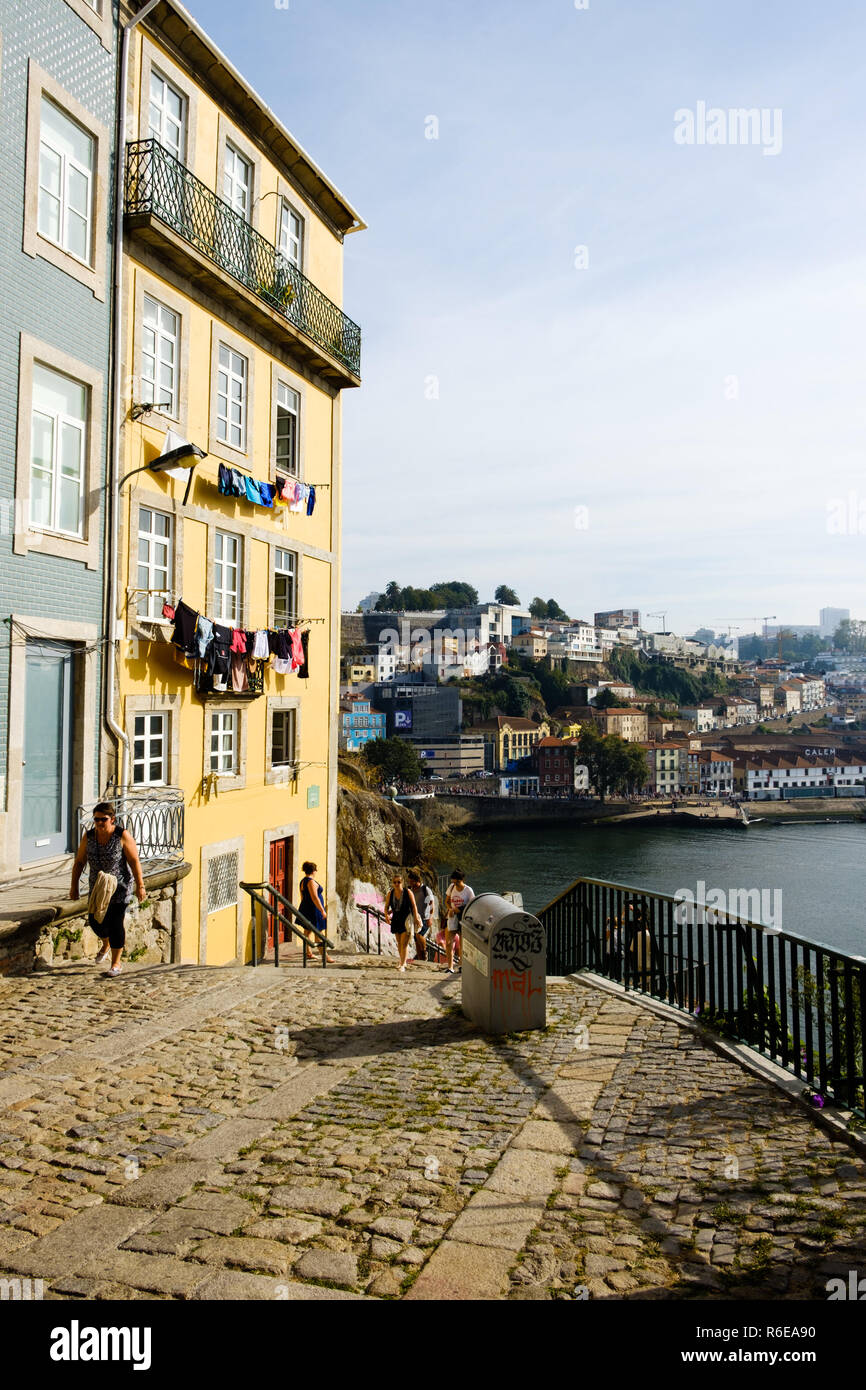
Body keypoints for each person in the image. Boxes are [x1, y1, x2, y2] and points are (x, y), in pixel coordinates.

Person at [70, 802, 146, 977]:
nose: (99, 823)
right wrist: (74, 886)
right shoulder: (88, 837)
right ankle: (106, 943)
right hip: (98, 887)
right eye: (96, 819)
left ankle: (116, 963)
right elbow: (80, 861)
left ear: (112, 819)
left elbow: (134, 861)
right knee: (95, 922)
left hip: (120, 886)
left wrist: (140, 886)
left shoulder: (121, 835)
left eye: (103, 819)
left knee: (115, 923)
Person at [384, 872, 422, 973]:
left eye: (399, 882)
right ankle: (403, 961)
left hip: (406, 919)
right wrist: (386, 915)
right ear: (392, 883)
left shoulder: (408, 892)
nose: (397, 884)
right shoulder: (390, 894)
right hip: (396, 919)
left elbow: (414, 906)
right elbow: (386, 906)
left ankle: (402, 964)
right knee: (399, 942)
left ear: (402, 882)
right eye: (395, 882)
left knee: (404, 943)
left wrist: (416, 918)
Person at [299, 861, 334, 962]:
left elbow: (303, 897)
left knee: (307, 931)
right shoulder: (310, 882)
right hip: (314, 910)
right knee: (318, 933)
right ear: (313, 871)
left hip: (307, 908)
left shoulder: (303, 881)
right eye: (315, 870)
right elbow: (315, 898)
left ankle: (309, 953)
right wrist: (322, 910)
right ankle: (325, 957)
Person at [443, 868, 474, 974]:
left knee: (461, 943)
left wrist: (459, 909)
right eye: (454, 882)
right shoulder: (451, 887)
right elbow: (447, 901)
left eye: (457, 882)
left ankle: (461, 965)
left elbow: (472, 905)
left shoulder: (468, 890)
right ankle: (450, 967)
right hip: (452, 917)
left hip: (463, 918)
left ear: (462, 880)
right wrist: (450, 909)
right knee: (448, 942)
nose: (455, 884)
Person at [407, 869, 436, 961]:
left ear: (418, 881)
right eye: (410, 881)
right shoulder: (410, 890)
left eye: (412, 882)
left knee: (419, 935)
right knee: (416, 940)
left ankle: (425, 951)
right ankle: (421, 959)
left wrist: (430, 918)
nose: (411, 883)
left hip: (425, 918)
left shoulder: (425, 890)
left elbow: (432, 904)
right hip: (415, 918)